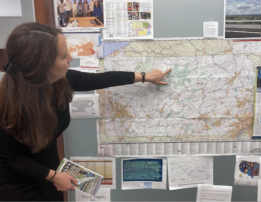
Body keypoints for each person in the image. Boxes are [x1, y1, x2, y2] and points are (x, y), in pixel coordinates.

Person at [0, 22, 171, 201]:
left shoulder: (60, 80)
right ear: (43, 67)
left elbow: (96, 80)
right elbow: (12, 159)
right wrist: (53, 176)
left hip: (47, 168)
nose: (70, 58)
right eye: (64, 55)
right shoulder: (7, 109)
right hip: (18, 185)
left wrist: (145, 77)